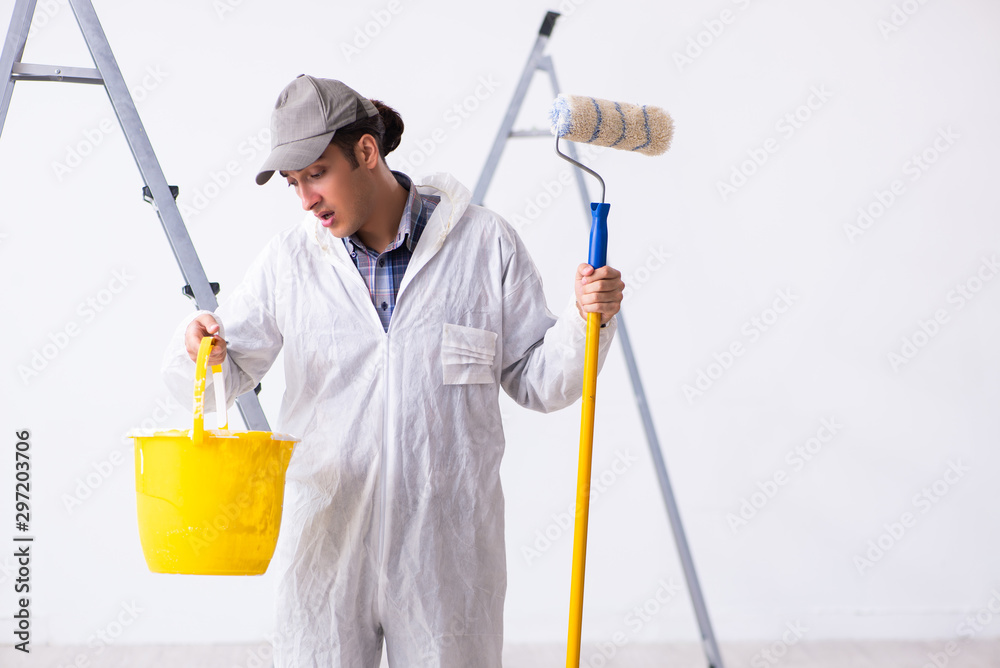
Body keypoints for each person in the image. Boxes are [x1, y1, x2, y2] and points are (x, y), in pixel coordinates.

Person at [161, 74, 624, 667]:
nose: (306, 198)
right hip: (325, 551)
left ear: (365, 151)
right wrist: (200, 347)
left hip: (448, 559)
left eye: (316, 173)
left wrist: (590, 321)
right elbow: (211, 384)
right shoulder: (290, 262)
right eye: (293, 183)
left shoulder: (485, 245)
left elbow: (541, 381)